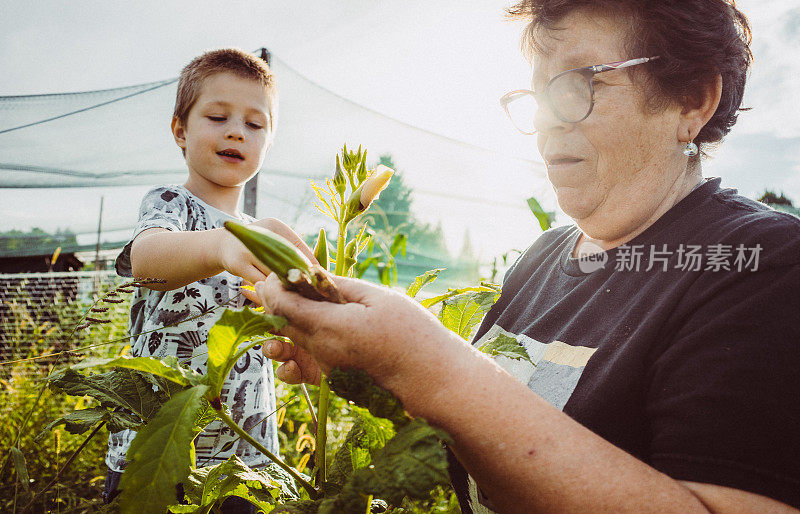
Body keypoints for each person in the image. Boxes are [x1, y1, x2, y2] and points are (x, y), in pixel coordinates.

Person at [253, 1, 800, 512]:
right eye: (538, 94)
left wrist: (434, 369)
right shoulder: (545, 256)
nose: (546, 122)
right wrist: (376, 369)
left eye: (581, 81)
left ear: (692, 100)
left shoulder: (762, 266)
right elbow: (479, 430)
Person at [104, 48, 304, 510]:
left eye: (256, 125)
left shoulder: (261, 235)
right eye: (217, 116)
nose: (237, 130)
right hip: (156, 447)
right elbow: (147, 261)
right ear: (180, 129)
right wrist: (220, 246)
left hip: (246, 459)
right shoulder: (171, 204)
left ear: (268, 143)